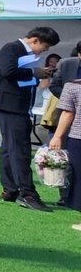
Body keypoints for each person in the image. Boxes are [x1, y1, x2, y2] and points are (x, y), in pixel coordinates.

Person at [0, 26, 61, 212]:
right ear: (34, 40)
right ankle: (27, 193)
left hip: (12, 105)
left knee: (9, 148)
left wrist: (36, 76)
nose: (45, 50)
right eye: (45, 46)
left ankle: (10, 189)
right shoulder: (12, 48)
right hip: (9, 105)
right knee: (20, 149)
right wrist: (34, 73)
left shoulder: (15, 50)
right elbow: (8, 71)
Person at [48, 68, 81, 213]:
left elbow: (68, 113)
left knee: (77, 174)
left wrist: (57, 136)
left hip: (77, 136)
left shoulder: (72, 86)